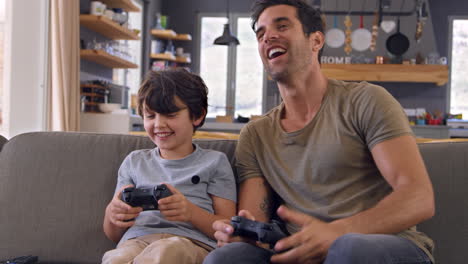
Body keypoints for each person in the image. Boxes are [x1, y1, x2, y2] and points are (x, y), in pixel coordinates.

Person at [203, 0, 435, 263]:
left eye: (282, 25)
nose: (268, 36)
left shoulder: (366, 101)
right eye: (261, 33)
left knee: (347, 249)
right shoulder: (256, 135)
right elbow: (256, 220)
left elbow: (418, 198)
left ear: (316, 41)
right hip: (301, 254)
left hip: (383, 247)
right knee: (227, 257)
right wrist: (244, 233)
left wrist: (336, 233)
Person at [102, 69, 237, 264]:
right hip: (136, 242)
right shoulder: (134, 162)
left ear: (197, 115)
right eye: (150, 116)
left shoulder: (215, 162)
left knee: (167, 251)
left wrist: (190, 212)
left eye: (170, 115)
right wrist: (112, 214)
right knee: (116, 258)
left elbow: (227, 230)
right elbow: (114, 235)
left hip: (190, 244)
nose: (158, 124)